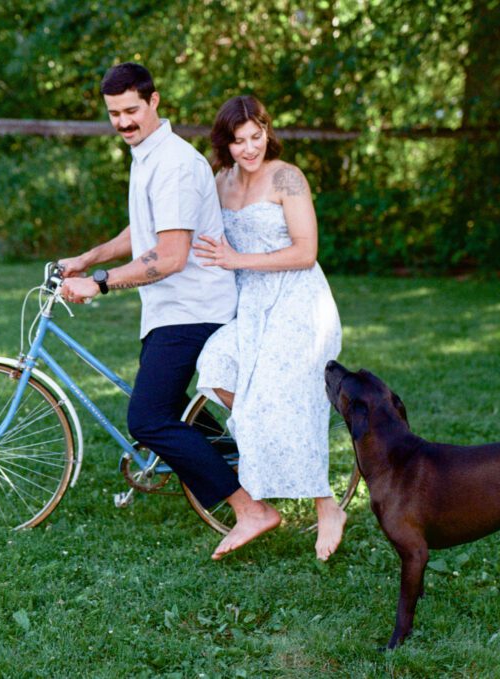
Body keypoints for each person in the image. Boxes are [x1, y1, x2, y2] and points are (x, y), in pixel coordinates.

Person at [58, 63, 280, 558]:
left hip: (193, 309)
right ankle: (241, 469)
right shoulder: (147, 156)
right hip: (172, 309)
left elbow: (172, 256)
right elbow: (145, 231)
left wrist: (99, 283)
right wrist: (89, 257)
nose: (123, 122)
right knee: (175, 408)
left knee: (149, 418)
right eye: (114, 114)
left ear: (155, 102)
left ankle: (251, 509)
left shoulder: (175, 163)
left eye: (132, 110)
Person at [193, 95, 347, 561]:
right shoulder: (220, 181)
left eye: (256, 136)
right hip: (252, 307)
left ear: (267, 130)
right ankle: (263, 462)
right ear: (225, 143)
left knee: (285, 396)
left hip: (300, 303)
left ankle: (326, 504)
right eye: (238, 141)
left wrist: (239, 259)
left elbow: (305, 251)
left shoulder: (287, 176)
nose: (249, 148)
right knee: (214, 366)